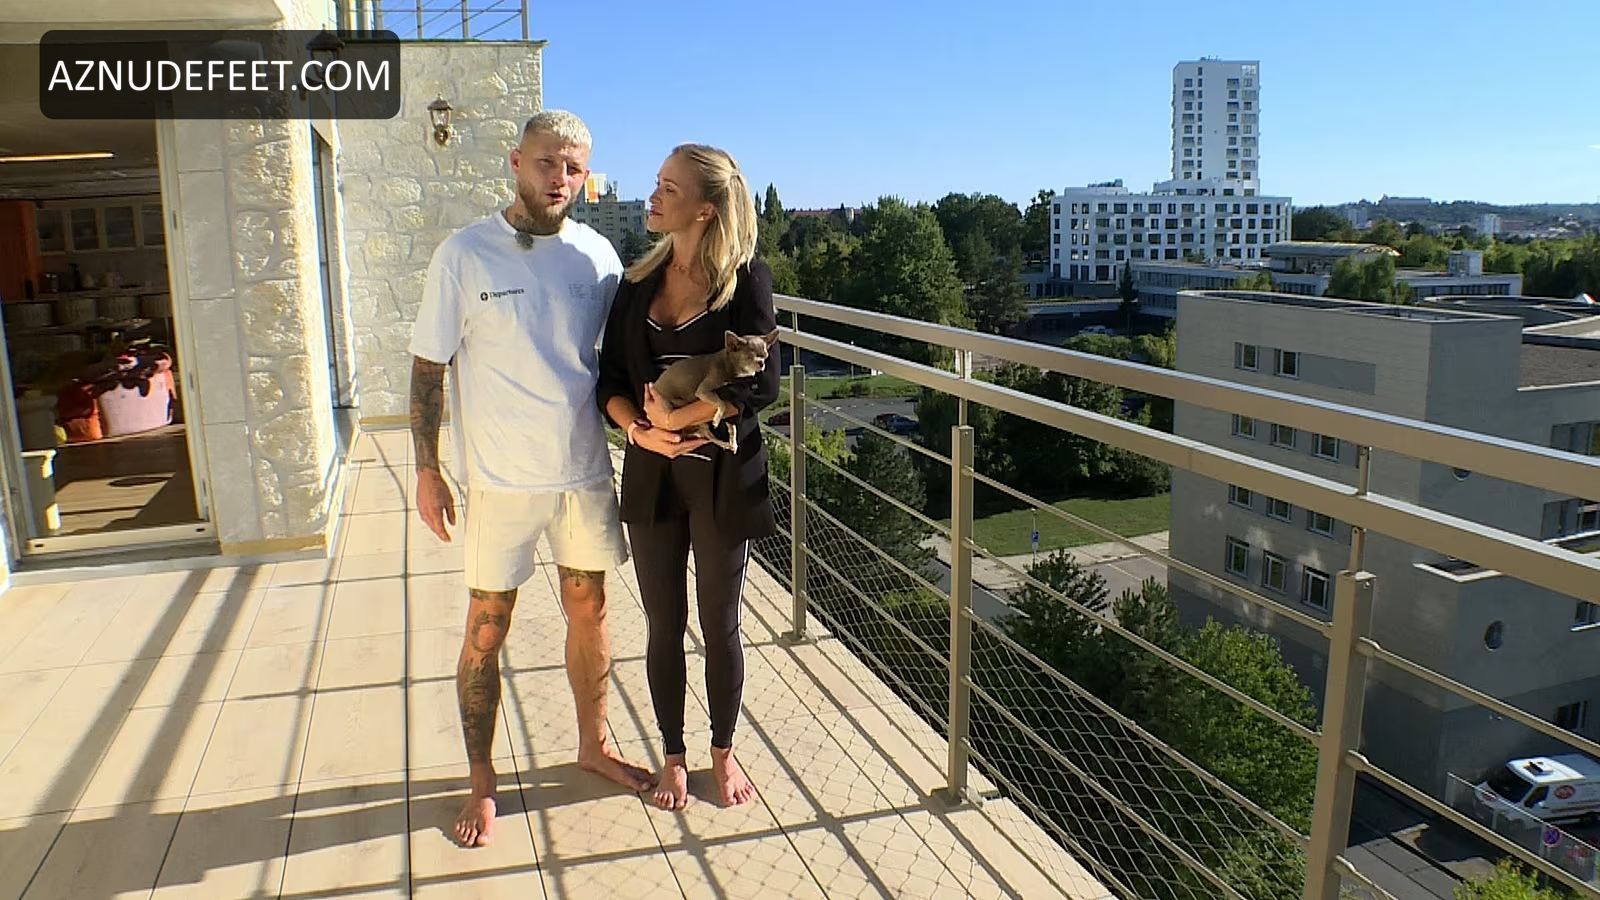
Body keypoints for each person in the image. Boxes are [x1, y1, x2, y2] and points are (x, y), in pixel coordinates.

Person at [409, 110, 654, 849]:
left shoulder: (597, 256)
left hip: (581, 471)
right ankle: (482, 779)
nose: (560, 178)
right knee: (487, 627)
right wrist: (427, 468)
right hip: (499, 480)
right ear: (517, 161)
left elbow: (626, 355)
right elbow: (428, 368)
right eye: (548, 162)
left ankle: (593, 744)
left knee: (591, 609)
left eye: (574, 167)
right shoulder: (466, 254)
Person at [597, 144, 779, 810]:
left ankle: (723, 754)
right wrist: (640, 430)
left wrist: (683, 417)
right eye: (657, 183)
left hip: (723, 476)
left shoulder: (746, 279)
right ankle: (672, 757)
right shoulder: (636, 282)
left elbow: (764, 384)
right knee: (663, 623)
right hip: (653, 472)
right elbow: (610, 382)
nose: (653, 195)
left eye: (668, 188)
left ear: (704, 209)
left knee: (719, 623)